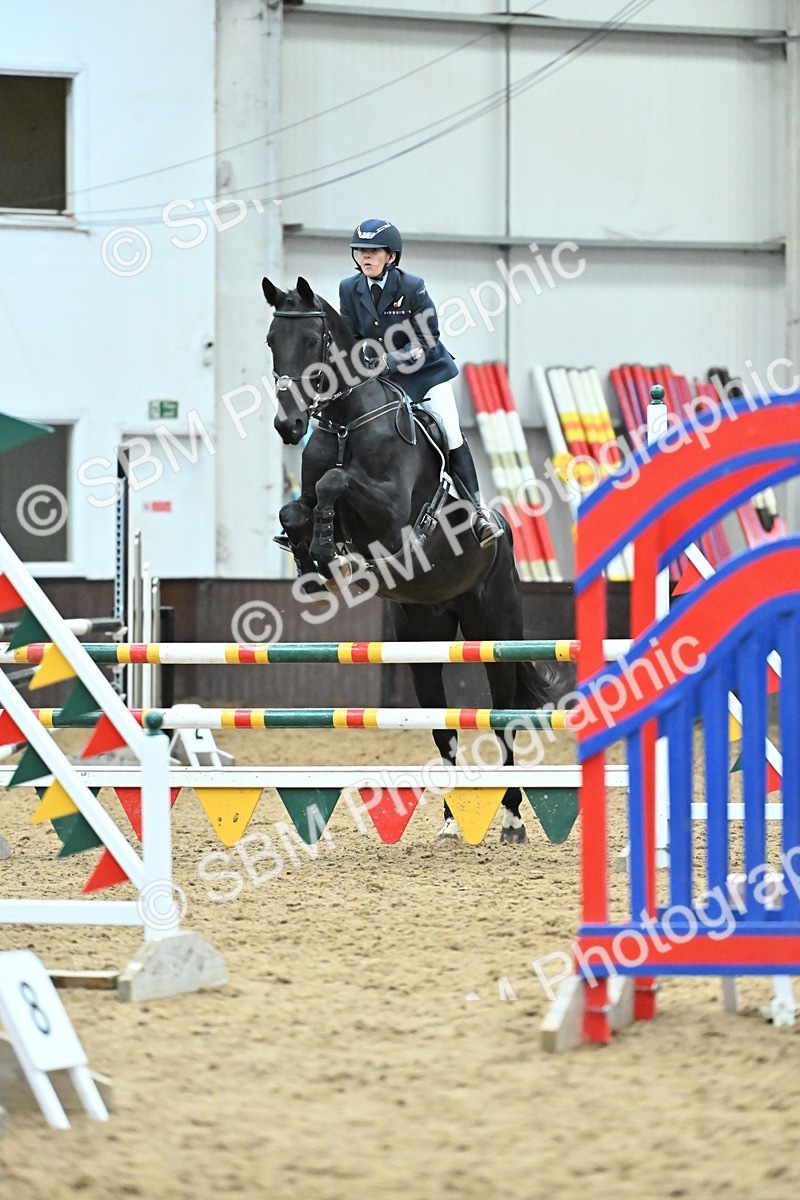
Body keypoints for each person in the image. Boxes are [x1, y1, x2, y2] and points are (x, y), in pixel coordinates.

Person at [338, 218, 501, 547]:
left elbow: (426, 339)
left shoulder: (412, 287)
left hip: (425, 373)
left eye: (373, 252)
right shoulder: (348, 288)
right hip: (380, 380)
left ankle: (478, 512)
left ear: (391, 257)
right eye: (360, 252)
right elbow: (350, 336)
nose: (365, 258)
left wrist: (389, 360)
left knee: (451, 432)